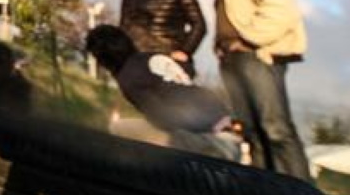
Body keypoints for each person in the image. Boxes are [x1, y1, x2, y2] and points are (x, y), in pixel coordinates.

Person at [184, 0, 311, 180]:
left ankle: (301, 194)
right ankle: (265, 191)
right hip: (232, 60)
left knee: (275, 128)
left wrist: (249, 40)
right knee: (251, 130)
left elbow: (280, 11)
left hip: (257, 57)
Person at [86, 24, 237, 160]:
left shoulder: (128, 79)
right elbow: (189, 71)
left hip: (203, 135)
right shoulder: (151, 56)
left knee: (118, 128)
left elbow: (162, 117)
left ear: (103, 58)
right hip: (221, 115)